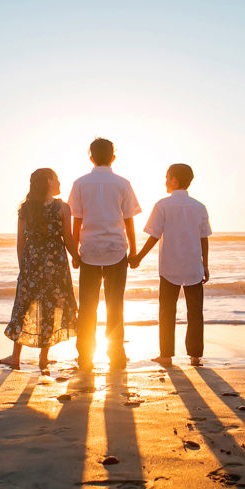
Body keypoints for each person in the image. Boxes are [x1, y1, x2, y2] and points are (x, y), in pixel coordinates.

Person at [67, 138, 141, 370]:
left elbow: (76, 221)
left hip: (89, 250)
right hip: (116, 250)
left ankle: (85, 356)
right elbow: (128, 221)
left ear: (91, 157)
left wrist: (75, 252)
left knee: (88, 306)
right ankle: (116, 354)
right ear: (113, 157)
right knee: (115, 304)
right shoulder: (122, 183)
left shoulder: (80, 183)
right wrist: (135, 250)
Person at [131, 163, 211, 367]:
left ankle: (166, 354)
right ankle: (195, 355)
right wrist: (206, 264)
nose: (165, 181)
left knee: (167, 310)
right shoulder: (199, 207)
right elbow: (204, 239)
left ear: (175, 180)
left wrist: (138, 256)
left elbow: (154, 236)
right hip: (193, 265)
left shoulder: (163, 205)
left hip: (169, 266)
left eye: (167, 177)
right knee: (195, 311)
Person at [2, 168, 80, 371]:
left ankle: (15, 357)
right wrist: (77, 258)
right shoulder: (62, 208)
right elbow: (67, 238)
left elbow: (20, 242)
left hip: (31, 263)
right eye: (56, 179)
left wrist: (23, 268)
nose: (60, 182)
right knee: (50, 307)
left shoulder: (26, 208)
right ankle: (43, 359)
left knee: (24, 305)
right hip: (55, 265)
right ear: (48, 181)